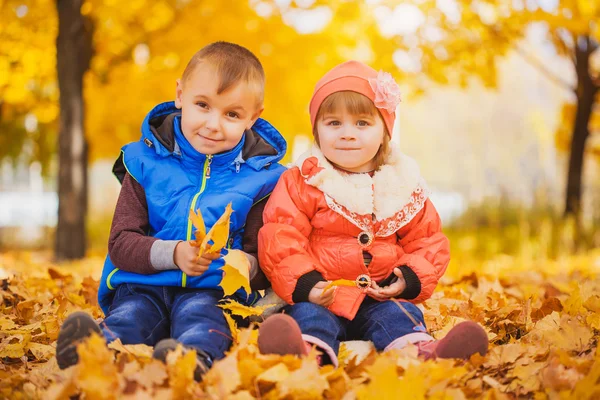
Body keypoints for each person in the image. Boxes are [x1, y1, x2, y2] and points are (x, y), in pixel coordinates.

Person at [55, 41, 286, 381]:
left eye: (232, 114)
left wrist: (235, 263)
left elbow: (261, 259)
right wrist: (174, 254)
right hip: (143, 283)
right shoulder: (144, 162)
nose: (213, 124)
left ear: (254, 117)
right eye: (203, 105)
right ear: (180, 95)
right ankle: (90, 352)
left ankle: (189, 361)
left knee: (201, 319)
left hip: (211, 289)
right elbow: (121, 243)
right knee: (132, 316)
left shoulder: (262, 179)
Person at [256, 60, 488, 366]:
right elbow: (281, 235)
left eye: (362, 124)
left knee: (400, 316)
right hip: (323, 293)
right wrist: (306, 284)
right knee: (308, 318)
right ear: (317, 130)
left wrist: (407, 277)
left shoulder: (401, 184)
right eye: (333, 123)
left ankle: (423, 354)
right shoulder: (305, 180)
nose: (347, 134)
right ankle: (303, 355)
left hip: (380, 294)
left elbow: (427, 240)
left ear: (384, 133)